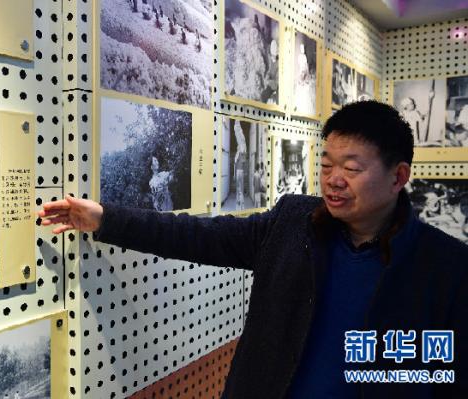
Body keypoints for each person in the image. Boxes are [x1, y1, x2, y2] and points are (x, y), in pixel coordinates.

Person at [38, 101, 468, 398]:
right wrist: (105, 219)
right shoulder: (292, 224)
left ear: (399, 176)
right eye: (326, 165)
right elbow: (199, 236)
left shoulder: (446, 267)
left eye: (352, 169)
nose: (334, 179)